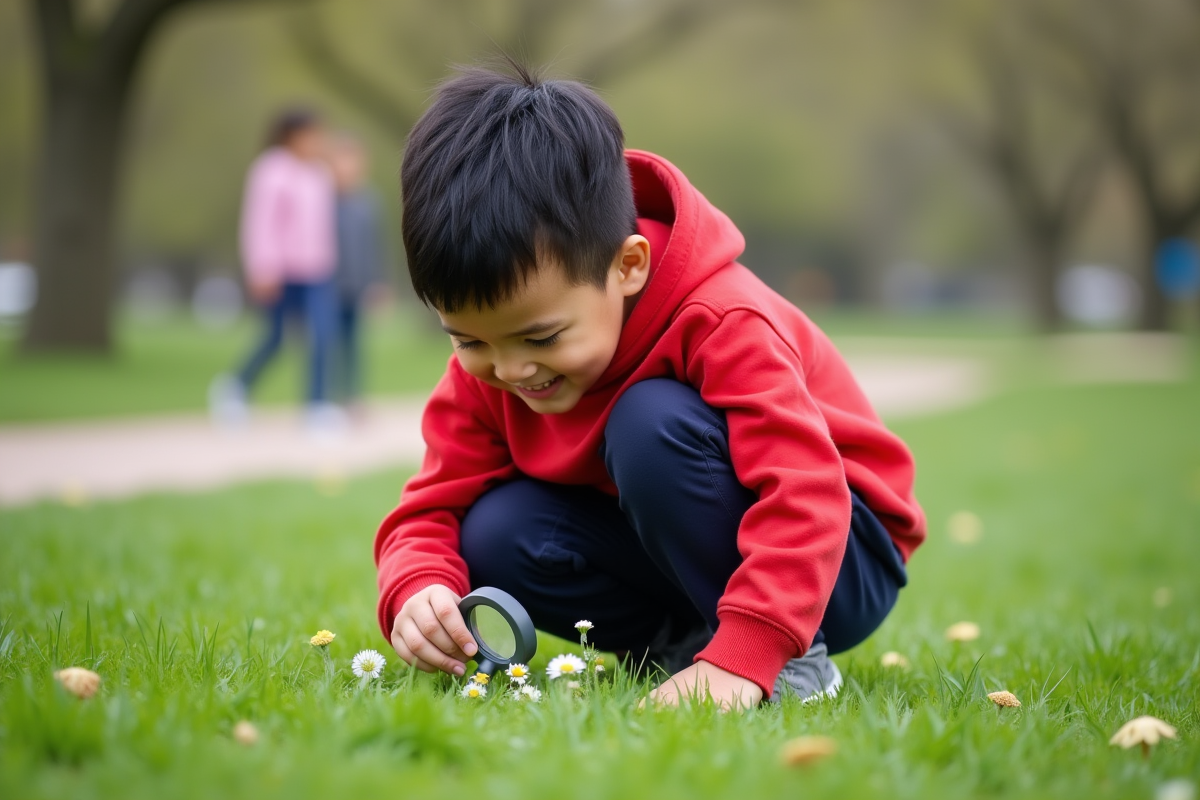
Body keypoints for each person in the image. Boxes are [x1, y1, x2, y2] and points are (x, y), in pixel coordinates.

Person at [374, 63, 926, 709]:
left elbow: (804, 489)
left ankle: (785, 660)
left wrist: (754, 646)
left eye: (542, 337)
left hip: (838, 557)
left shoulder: (723, 320)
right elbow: (433, 504)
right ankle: (688, 646)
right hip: (687, 564)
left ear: (628, 267)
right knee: (494, 528)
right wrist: (417, 586)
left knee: (648, 423)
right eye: (468, 340)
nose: (510, 369)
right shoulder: (494, 362)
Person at [209, 108, 344, 434]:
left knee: (323, 334)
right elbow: (260, 223)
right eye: (311, 135)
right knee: (275, 337)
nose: (317, 142)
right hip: (281, 271)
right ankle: (235, 387)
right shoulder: (270, 170)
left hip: (317, 270)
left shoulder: (319, 174)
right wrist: (262, 268)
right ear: (291, 136)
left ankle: (316, 407)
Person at [328, 133, 387, 411]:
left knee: (354, 346)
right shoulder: (323, 200)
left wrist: (377, 283)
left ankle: (352, 397)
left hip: (356, 286)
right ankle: (326, 397)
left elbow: (374, 248)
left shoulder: (368, 202)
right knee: (327, 343)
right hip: (328, 286)